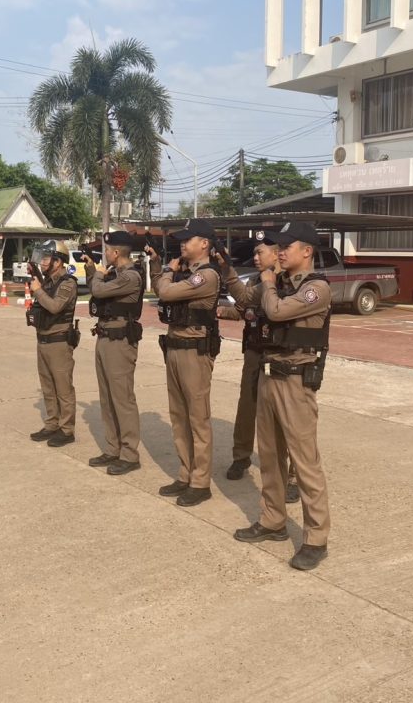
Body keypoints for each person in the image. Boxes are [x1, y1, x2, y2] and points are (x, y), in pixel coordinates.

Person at [228, 222, 333, 571]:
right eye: (279, 246)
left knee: (305, 463)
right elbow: (246, 300)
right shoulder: (278, 283)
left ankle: (316, 538)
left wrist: (268, 282)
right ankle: (272, 520)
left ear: (307, 251)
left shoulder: (316, 288)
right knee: (271, 457)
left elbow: (276, 311)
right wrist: (231, 273)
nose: (281, 251)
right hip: (269, 376)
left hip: (296, 382)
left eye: (287, 246)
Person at [218, 234, 299, 504]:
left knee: (286, 417)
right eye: (254, 252)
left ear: (276, 254)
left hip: (281, 355)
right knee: (247, 406)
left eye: (260, 252)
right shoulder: (255, 280)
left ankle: (293, 475)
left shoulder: (290, 281)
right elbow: (244, 306)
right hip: (255, 352)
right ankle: (241, 457)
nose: (255, 257)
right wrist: (223, 309)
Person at [146, 219, 221, 507]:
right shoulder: (185, 273)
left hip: (194, 352)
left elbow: (166, 292)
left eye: (188, 239)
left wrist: (167, 271)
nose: (183, 243)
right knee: (178, 416)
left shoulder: (206, 275)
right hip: (175, 347)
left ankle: (200, 482)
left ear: (204, 243)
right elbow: (160, 288)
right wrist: (158, 266)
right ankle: (185, 473)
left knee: (197, 418)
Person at [84, 232, 145, 476]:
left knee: (122, 398)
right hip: (105, 336)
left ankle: (129, 454)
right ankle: (112, 448)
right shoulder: (116, 274)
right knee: (107, 397)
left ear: (117, 252)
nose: (105, 254)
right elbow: (98, 290)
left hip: (120, 341)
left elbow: (98, 291)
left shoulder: (130, 276)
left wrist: (98, 274)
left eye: (108, 250)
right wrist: (92, 270)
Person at [27, 239, 79, 448]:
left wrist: (38, 290)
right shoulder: (47, 281)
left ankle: (66, 430)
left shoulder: (67, 283)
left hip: (59, 342)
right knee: (47, 387)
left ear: (58, 262)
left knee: (63, 389)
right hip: (43, 340)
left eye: (46, 258)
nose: (42, 262)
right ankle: (52, 424)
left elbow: (55, 306)